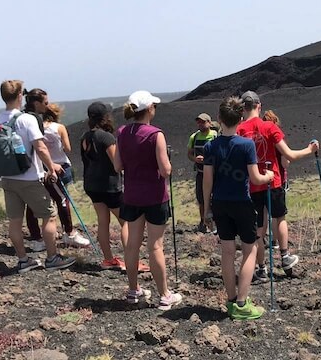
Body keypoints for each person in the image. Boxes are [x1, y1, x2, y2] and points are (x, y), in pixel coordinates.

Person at [0, 80, 75, 272]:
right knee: (49, 216)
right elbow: (40, 147)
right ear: (19, 96)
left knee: (15, 221)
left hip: (7, 179)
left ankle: (23, 261)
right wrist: (51, 168)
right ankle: (52, 258)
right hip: (30, 178)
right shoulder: (26, 120)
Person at [203, 96, 274, 320]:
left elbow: (207, 180)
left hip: (220, 203)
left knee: (227, 251)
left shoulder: (210, 146)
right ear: (240, 117)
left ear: (219, 119)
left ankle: (232, 300)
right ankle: (242, 304)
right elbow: (255, 178)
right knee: (250, 249)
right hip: (242, 203)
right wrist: (269, 176)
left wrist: (206, 209)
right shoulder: (246, 145)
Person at [237, 91, 319, 283]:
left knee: (258, 228)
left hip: (252, 184)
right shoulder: (269, 127)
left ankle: (261, 268)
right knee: (279, 217)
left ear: (243, 108)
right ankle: (284, 256)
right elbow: (289, 155)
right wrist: (310, 149)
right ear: (259, 106)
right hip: (272, 181)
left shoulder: (239, 130)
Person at [114, 90, 182, 310]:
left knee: (132, 245)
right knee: (155, 247)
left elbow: (117, 166)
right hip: (154, 196)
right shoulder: (155, 134)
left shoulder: (122, 132)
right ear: (150, 109)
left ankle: (134, 291)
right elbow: (166, 171)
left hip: (132, 196)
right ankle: (164, 295)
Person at [21, 89, 89, 249]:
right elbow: (66, 148)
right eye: (45, 102)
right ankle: (69, 233)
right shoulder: (57, 127)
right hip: (57, 167)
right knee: (62, 199)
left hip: (36, 169)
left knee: (32, 204)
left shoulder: (26, 122)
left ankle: (37, 238)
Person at [80, 102, 129, 270]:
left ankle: (108, 259)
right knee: (126, 222)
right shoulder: (106, 137)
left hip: (92, 185)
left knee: (103, 221)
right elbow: (117, 164)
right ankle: (132, 260)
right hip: (110, 187)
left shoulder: (85, 137)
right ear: (105, 117)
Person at [187, 113, 218, 233]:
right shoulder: (194, 137)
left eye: (203, 122)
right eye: (199, 122)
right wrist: (195, 159)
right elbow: (189, 153)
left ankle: (216, 223)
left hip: (215, 173)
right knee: (201, 198)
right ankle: (203, 222)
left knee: (215, 198)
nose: (200, 124)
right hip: (200, 173)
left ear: (209, 123)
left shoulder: (216, 136)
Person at [262, 109, 291, 192]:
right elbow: (285, 164)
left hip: (262, 180)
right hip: (278, 180)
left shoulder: (260, 140)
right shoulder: (280, 141)